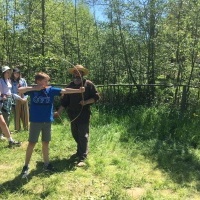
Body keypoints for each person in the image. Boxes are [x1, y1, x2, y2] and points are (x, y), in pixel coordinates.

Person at [19, 72, 85, 178]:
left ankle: (47, 164)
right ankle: (26, 166)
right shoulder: (32, 89)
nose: (47, 83)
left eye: (47, 81)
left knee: (46, 142)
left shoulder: (51, 90)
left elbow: (65, 90)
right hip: (35, 121)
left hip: (47, 121)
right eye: (45, 81)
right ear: (38, 81)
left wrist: (78, 90)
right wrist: (35, 88)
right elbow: (20, 90)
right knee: (32, 143)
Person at [55, 65, 100, 167]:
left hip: (84, 114)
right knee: (75, 134)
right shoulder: (70, 85)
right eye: (75, 72)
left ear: (82, 74)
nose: (77, 74)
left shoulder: (88, 84)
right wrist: (59, 112)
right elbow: (64, 101)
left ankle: (82, 157)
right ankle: (80, 150)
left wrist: (86, 102)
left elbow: (96, 97)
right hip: (72, 114)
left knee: (83, 135)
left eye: (79, 72)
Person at [0, 66, 26, 139]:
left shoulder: (8, 80)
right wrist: (2, 96)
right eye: (7, 72)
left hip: (9, 100)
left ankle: (6, 132)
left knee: (8, 116)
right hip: (3, 100)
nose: (8, 74)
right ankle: (1, 134)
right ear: (3, 73)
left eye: (9, 72)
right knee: (3, 117)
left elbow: (10, 92)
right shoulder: (1, 80)